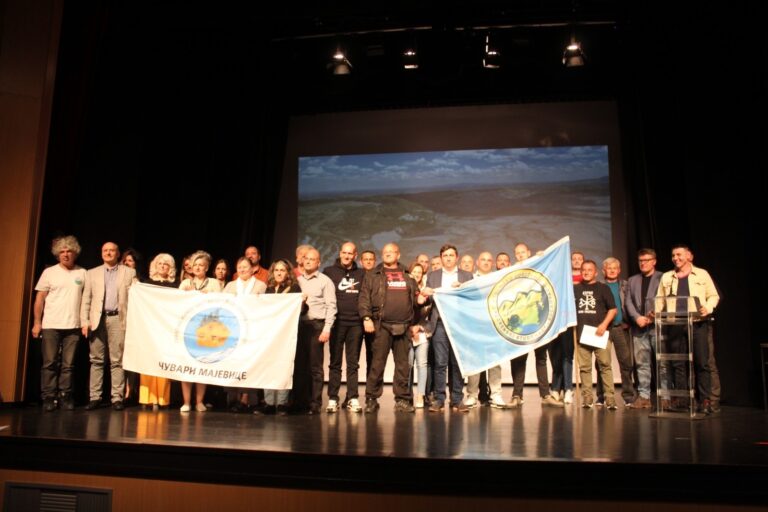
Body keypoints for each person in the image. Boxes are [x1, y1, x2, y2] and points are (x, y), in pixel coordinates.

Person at [657, 244, 719, 414]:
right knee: (678, 363)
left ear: (689, 256)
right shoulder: (667, 277)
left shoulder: (702, 274)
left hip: (697, 323)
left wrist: (708, 308)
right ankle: (683, 400)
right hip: (675, 323)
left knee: (702, 362)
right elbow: (659, 300)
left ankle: (705, 400)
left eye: (679, 255)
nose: (675, 258)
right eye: (673, 255)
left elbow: (713, 295)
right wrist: (655, 313)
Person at [359, 243, 419, 413]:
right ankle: (371, 399)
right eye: (385, 252)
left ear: (398, 255)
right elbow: (364, 298)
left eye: (391, 252)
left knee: (402, 365)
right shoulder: (373, 275)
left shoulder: (408, 275)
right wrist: (366, 317)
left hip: (404, 326)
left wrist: (422, 301)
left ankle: (402, 399)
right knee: (377, 364)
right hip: (381, 325)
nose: (387, 254)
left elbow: (415, 300)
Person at [32, 235, 87, 412]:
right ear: (57, 254)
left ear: (75, 253)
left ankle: (65, 395)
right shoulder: (49, 272)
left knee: (68, 365)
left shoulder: (82, 273)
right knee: (49, 363)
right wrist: (37, 322)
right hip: (51, 324)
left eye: (68, 251)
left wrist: (85, 322)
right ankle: (48, 396)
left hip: (73, 325)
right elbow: (40, 299)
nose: (65, 254)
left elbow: (87, 299)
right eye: (62, 252)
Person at [81, 242, 137, 411]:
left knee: (117, 360)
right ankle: (95, 397)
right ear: (101, 253)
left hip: (117, 319)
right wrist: (85, 321)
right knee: (96, 360)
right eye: (105, 250)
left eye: (112, 250)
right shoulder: (91, 273)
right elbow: (86, 299)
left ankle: (117, 398)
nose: (108, 253)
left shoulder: (129, 272)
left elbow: (136, 297)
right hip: (96, 320)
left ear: (118, 254)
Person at [422, 244, 473, 412]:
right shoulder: (433, 275)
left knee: (457, 363)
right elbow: (429, 300)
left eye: (451, 255)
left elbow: (472, 299)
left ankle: (457, 399)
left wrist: (462, 289)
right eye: (445, 255)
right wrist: (426, 293)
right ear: (441, 258)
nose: (448, 258)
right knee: (440, 363)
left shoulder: (466, 276)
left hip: (459, 324)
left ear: (457, 258)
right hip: (440, 324)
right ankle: (439, 399)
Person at [513, 243, 563, 408]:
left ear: (529, 252)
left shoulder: (539, 266)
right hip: (522, 322)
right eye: (517, 253)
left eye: (523, 252)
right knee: (519, 360)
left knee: (541, 359)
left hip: (539, 321)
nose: (520, 255)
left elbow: (552, 275)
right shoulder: (513, 271)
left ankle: (545, 394)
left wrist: (544, 258)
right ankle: (517, 395)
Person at [323, 242, 366, 413]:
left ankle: (352, 398)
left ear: (355, 255)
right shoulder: (329, 272)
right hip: (337, 323)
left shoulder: (362, 273)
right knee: (335, 362)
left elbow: (365, 297)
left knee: (353, 363)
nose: (347, 256)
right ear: (340, 253)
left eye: (350, 253)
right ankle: (333, 398)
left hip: (356, 323)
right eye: (344, 253)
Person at [464, 251, 509, 409]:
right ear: (477, 262)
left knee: (495, 361)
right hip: (475, 325)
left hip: (493, 325)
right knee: (474, 361)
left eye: (489, 260)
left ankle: (496, 394)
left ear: (492, 263)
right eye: (483, 259)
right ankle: (471, 395)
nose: (486, 262)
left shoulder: (499, 278)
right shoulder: (469, 279)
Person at [178, 250, 221, 412]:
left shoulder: (213, 283)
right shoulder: (185, 284)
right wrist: (186, 295)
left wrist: (210, 295)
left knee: (202, 367)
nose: (197, 267)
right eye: (195, 265)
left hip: (206, 330)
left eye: (201, 265)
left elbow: (221, 303)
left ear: (206, 268)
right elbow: (176, 304)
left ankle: (199, 402)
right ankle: (186, 402)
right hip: (187, 330)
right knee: (186, 367)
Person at [223, 257, 267, 412]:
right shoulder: (230, 285)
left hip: (252, 329)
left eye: (245, 267)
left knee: (249, 363)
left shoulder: (261, 285)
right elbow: (223, 304)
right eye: (239, 267)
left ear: (252, 269)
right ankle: (233, 397)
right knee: (233, 363)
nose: (242, 270)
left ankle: (246, 397)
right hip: (233, 330)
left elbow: (264, 306)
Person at [297, 248, 337, 415]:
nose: (308, 261)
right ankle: (301, 401)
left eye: (312, 259)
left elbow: (331, 306)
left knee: (315, 367)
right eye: (306, 258)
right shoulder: (297, 281)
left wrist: (327, 329)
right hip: (299, 327)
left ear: (318, 263)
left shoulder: (325, 281)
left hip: (316, 326)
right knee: (300, 366)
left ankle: (315, 403)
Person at [574, 260, 617, 409]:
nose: (586, 272)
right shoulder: (575, 289)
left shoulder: (603, 288)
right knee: (584, 368)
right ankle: (587, 398)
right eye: (584, 270)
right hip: (582, 335)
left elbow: (613, 309)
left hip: (600, 334)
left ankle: (610, 398)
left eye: (589, 270)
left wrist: (604, 325)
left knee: (605, 366)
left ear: (596, 272)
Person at [264, 259, 304, 415]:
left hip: (285, 335)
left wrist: (303, 302)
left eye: (282, 270)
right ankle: (269, 403)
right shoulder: (268, 289)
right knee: (268, 367)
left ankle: (281, 403)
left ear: (288, 273)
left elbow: (301, 311)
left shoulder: (294, 288)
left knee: (283, 367)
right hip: (269, 334)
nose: (279, 273)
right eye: (276, 270)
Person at [624, 248, 662, 410]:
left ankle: (665, 397)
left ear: (654, 261)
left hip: (658, 326)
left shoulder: (662, 277)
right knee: (641, 363)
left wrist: (653, 315)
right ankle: (644, 397)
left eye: (646, 260)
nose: (643, 263)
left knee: (662, 362)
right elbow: (628, 302)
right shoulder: (632, 280)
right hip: (639, 327)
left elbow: (666, 298)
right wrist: (637, 317)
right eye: (641, 261)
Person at [139, 253, 178, 410]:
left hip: (167, 330)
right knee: (147, 361)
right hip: (149, 329)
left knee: (163, 362)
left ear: (170, 268)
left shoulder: (175, 286)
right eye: (160, 263)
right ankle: (147, 398)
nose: (162, 266)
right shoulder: (146, 285)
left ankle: (161, 398)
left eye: (166, 264)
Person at [597, 257, 636, 407]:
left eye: (615, 268)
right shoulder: (599, 286)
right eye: (609, 268)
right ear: (603, 270)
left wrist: (630, 321)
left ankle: (628, 396)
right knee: (601, 362)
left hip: (621, 327)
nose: (612, 270)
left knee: (626, 362)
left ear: (619, 270)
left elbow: (631, 303)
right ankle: (601, 396)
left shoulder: (626, 286)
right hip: (604, 329)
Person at [407, 261, 431, 408]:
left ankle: (420, 396)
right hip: (406, 332)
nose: (417, 274)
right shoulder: (404, 288)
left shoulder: (425, 291)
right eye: (414, 271)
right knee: (408, 365)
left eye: (419, 272)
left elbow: (429, 314)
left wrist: (419, 327)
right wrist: (409, 328)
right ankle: (407, 395)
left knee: (422, 364)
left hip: (422, 332)